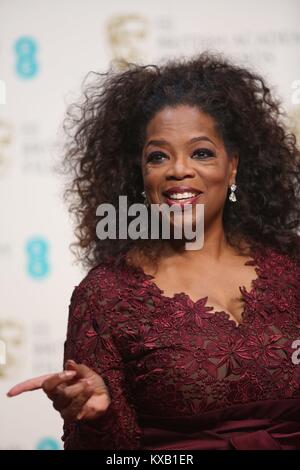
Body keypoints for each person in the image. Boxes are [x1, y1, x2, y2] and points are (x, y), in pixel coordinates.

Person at [7, 52, 300, 450]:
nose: (179, 169)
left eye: (201, 152)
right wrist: (99, 416)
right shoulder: (107, 295)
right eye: (158, 156)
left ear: (232, 167)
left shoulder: (291, 266)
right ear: (142, 177)